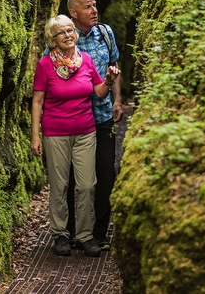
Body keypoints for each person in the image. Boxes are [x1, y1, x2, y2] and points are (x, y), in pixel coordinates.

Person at [32, 14, 121, 258]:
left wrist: (110, 81)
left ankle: (85, 236)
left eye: (71, 30)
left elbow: (99, 93)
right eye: (62, 32)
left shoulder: (87, 60)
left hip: (85, 132)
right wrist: (35, 136)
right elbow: (37, 101)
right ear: (53, 39)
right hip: (55, 133)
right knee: (60, 186)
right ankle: (61, 234)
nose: (69, 35)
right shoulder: (45, 65)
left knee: (86, 185)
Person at [64, 0, 123, 252]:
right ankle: (71, 232)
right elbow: (48, 71)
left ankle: (99, 233)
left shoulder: (105, 34)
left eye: (95, 5)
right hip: (73, 119)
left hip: (101, 115)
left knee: (105, 175)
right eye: (88, 7)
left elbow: (114, 64)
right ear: (74, 13)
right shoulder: (63, 37)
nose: (94, 10)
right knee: (71, 177)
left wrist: (117, 100)